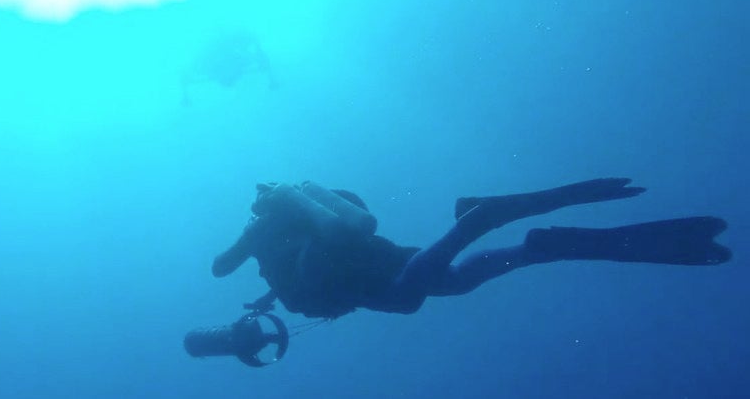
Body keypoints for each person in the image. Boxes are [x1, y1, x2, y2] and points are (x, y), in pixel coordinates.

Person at [212, 179, 731, 319]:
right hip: (379, 260)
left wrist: (253, 234)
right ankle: (538, 249)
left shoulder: (263, 230)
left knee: (406, 298)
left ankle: (479, 221)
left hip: (362, 275)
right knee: (452, 282)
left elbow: (220, 267)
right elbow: (350, 225)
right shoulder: (292, 224)